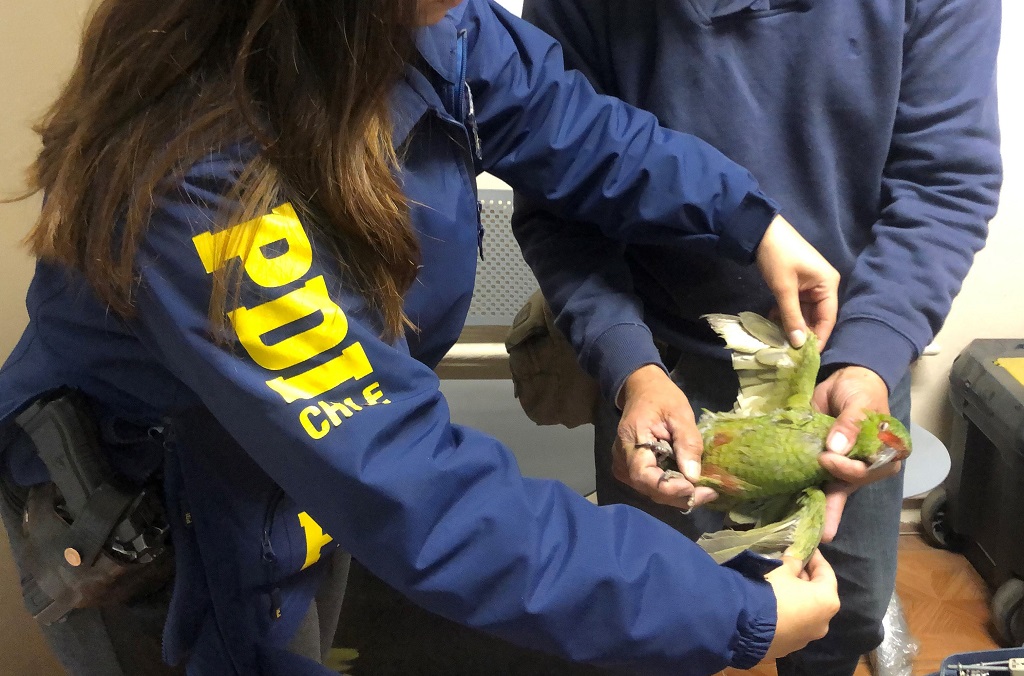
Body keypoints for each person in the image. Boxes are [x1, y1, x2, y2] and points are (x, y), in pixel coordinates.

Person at [0, 0, 846, 674]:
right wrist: (732, 616)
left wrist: (749, 218)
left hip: (301, 475)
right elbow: (421, 497)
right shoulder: (210, 189)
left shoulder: (427, 23)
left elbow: (573, 124)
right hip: (175, 525)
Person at [513, 0, 1003, 674]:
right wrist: (630, 362)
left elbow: (945, 182)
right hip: (661, 369)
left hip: (844, 374)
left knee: (845, 612)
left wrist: (874, 351)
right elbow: (559, 196)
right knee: (658, 613)